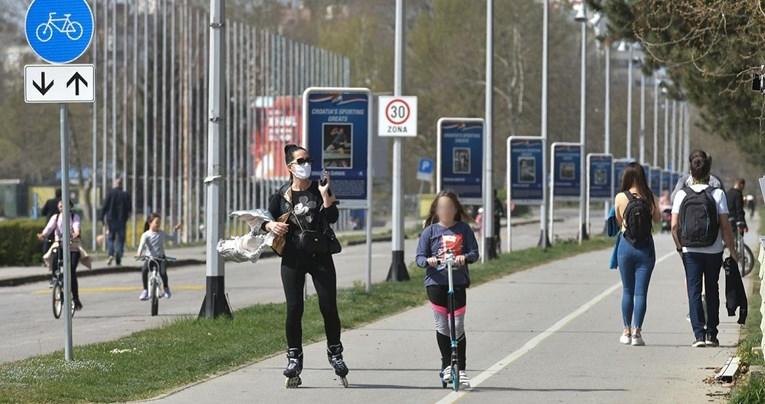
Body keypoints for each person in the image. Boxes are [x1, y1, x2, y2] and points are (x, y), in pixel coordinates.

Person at [262, 144, 348, 387]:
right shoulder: (280, 196)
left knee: (328, 305)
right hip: (293, 258)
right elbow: (264, 221)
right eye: (301, 161)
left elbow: (332, 218)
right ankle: (294, 357)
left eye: (308, 159)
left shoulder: (320, 188)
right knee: (294, 308)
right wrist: (270, 226)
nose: (306, 164)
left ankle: (335, 352)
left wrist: (324, 195)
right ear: (290, 166)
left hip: (320, 256)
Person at [671, 150, 737, 348]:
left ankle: (698, 335)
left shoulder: (682, 194)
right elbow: (725, 226)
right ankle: (712, 335)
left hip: (690, 250)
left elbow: (674, 226)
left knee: (693, 291)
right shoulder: (718, 194)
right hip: (713, 249)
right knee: (712, 290)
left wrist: (679, 247)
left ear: (690, 172)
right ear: (709, 172)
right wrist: (732, 250)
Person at [416, 190, 479, 388]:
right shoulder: (430, 232)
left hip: (457, 282)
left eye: (450, 207)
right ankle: (446, 366)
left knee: (457, 325)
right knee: (442, 325)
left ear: (455, 209)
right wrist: (429, 261)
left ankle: (460, 369)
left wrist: (465, 257)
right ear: (436, 209)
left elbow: (474, 252)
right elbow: (418, 258)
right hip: (436, 283)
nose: (446, 210)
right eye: (442, 207)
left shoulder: (463, 229)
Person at [613, 163, 660, 346]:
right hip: (646, 248)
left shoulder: (620, 197)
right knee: (641, 293)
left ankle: (626, 331)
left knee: (627, 290)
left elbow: (619, 221)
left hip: (625, 246)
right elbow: (657, 219)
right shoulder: (650, 197)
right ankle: (637, 333)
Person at [37, 200, 83, 311]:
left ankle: (75, 299)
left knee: (71, 270)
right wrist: (43, 235)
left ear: (70, 206)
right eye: (60, 206)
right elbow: (49, 228)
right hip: (60, 245)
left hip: (72, 247)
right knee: (54, 257)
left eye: (64, 206)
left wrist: (76, 233)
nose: (62, 208)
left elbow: (77, 226)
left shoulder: (74, 216)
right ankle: (55, 278)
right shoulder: (56, 217)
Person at [136, 213, 182, 300]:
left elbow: (172, 239)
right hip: (150, 259)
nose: (158, 224)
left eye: (159, 222)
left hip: (161, 259)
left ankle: (166, 288)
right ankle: (145, 290)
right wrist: (139, 253)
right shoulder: (146, 235)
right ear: (150, 223)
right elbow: (141, 245)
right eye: (156, 222)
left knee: (163, 273)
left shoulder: (161, 233)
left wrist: (175, 230)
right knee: (144, 270)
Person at [101, 177, 131, 266]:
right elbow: (129, 208)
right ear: (121, 184)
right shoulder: (125, 194)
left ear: (115, 184)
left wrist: (102, 218)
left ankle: (110, 254)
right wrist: (127, 216)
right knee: (121, 239)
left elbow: (105, 206)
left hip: (111, 220)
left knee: (111, 238)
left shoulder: (110, 193)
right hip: (122, 220)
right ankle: (119, 254)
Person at [40, 189, 62, 255]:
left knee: (47, 242)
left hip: (50, 223)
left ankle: (46, 258)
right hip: (60, 225)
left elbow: (43, 212)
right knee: (59, 241)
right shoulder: (64, 202)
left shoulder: (49, 202)